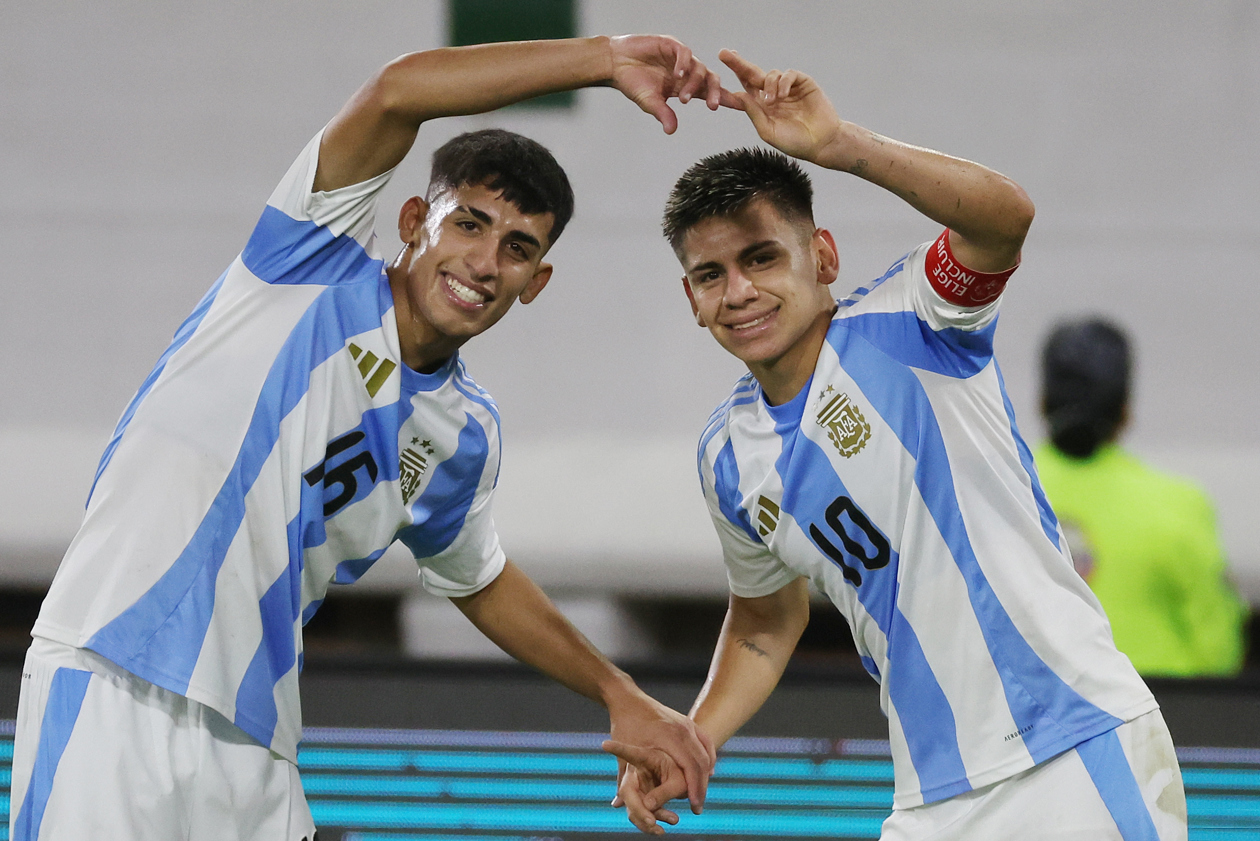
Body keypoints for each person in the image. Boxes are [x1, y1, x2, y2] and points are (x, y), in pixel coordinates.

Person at [10, 35, 723, 841]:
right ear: (416, 220)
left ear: (536, 283)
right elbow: (395, 94)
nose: (485, 262)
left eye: (517, 248)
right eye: (469, 224)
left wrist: (617, 692)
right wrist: (601, 59)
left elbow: (478, 576)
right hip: (111, 675)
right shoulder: (308, 257)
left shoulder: (462, 433)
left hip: (254, 739)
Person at [607, 50, 1187, 839]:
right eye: (711, 275)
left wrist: (840, 143)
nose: (737, 291)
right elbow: (763, 623)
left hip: (1071, 745)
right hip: (930, 794)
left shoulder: (913, 318)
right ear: (691, 298)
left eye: (761, 257)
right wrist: (695, 734)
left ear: (825, 257)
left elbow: (1005, 217)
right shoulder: (728, 458)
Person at [1035, 318, 1246, 676]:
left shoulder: (994, 492)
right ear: (1124, 410)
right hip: (1163, 719)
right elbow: (1220, 652)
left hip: (1032, 724)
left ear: (1042, 402)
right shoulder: (1180, 505)